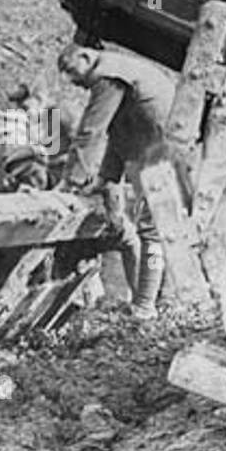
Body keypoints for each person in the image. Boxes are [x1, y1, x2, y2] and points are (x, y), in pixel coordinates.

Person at [56, 42, 176, 320]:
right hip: (146, 146)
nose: (79, 84)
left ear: (86, 57)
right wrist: (106, 177)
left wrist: (70, 182)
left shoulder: (108, 74)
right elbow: (117, 130)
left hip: (158, 152)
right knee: (153, 230)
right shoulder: (120, 71)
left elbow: (92, 130)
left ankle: (145, 305)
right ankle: (158, 299)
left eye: (76, 73)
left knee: (151, 229)